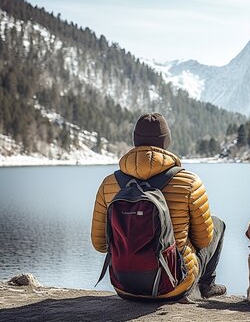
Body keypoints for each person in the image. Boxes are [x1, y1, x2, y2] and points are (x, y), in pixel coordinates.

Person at [91, 112, 226, 300]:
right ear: (166, 142)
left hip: (124, 287)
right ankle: (207, 286)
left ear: (135, 141)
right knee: (217, 224)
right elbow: (203, 241)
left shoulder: (109, 183)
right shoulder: (189, 182)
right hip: (173, 285)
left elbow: (100, 244)